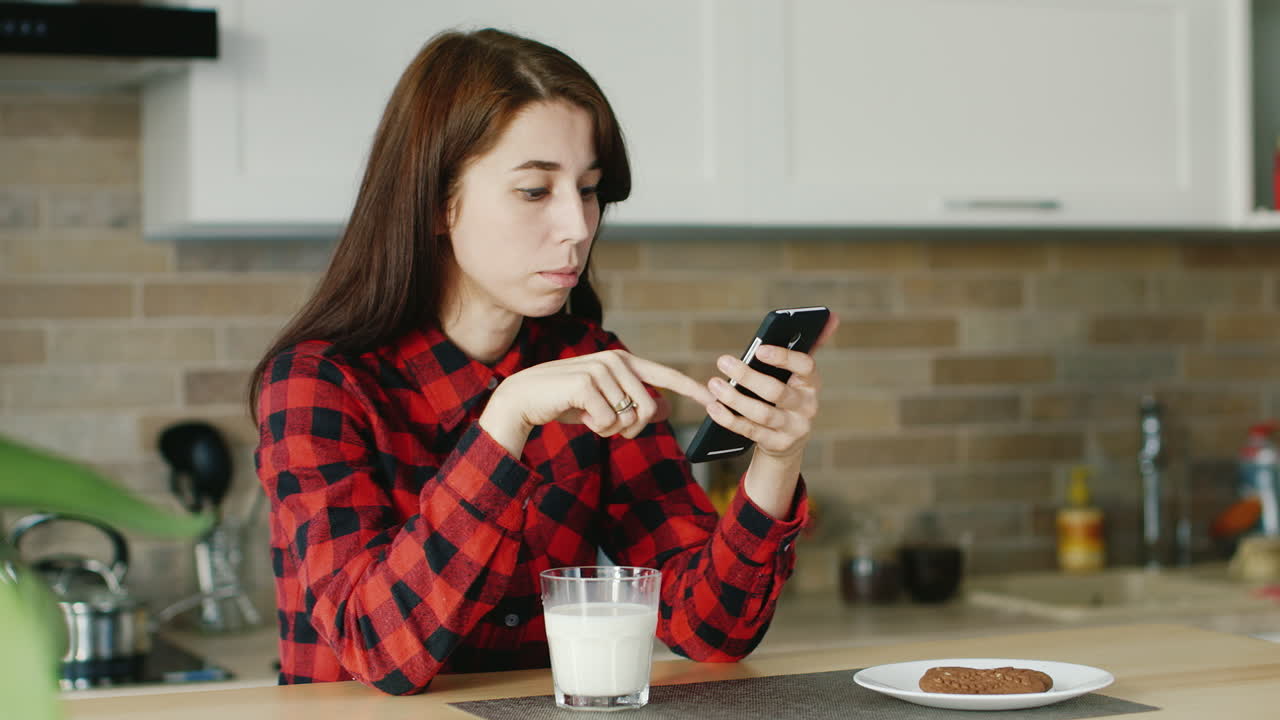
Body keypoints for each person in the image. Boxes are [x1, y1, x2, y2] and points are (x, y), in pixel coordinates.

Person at [250, 27, 837, 696]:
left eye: (588, 190)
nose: (579, 226)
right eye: (535, 191)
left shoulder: (589, 363)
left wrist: (776, 459)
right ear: (439, 203)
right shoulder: (319, 386)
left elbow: (709, 630)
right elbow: (376, 650)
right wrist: (507, 417)